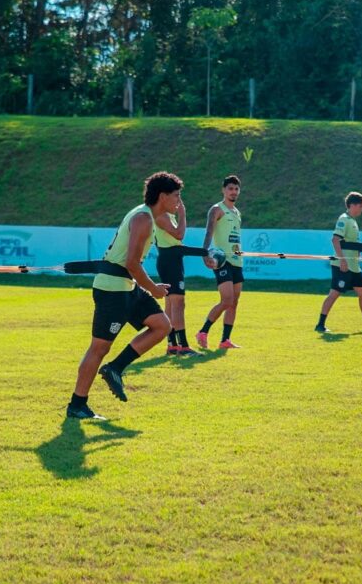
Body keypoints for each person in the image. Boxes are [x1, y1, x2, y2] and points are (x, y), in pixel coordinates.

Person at [66, 172, 178, 420]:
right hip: (112, 290)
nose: (178, 202)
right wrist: (153, 288)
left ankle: (115, 368)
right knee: (99, 348)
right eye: (176, 196)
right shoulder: (143, 219)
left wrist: (148, 286)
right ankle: (77, 405)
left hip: (126, 286)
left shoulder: (148, 216)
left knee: (162, 326)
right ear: (162, 196)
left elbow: (133, 265)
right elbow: (132, 263)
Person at [316, 192, 362, 333]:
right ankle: (320, 324)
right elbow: (335, 239)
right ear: (352, 205)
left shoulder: (353, 221)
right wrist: (342, 260)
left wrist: (357, 253)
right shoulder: (344, 219)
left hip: (353, 266)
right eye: (361, 206)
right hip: (343, 265)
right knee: (334, 293)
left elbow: (350, 243)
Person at [196, 175, 244, 350]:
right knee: (226, 300)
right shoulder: (217, 209)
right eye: (230, 188)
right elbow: (209, 233)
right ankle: (203, 331)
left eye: (236, 189)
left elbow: (235, 238)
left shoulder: (237, 213)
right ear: (223, 190)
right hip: (223, 261)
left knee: (234, 302)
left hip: (237, 261)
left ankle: (225, 340)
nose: (233, 192)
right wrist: (205, 253)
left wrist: (239, 250)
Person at [154, 194, 200, 356]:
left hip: (171, 260)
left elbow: (178, 245)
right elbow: (179, 236)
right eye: (176, 197)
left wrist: (205, 252)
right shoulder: (162, 215)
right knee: (178, 303)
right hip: (170, 262)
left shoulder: (167, 216)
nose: (179, 201)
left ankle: (172, 345)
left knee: (172, 304)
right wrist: (183, 215)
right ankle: (184, 346)